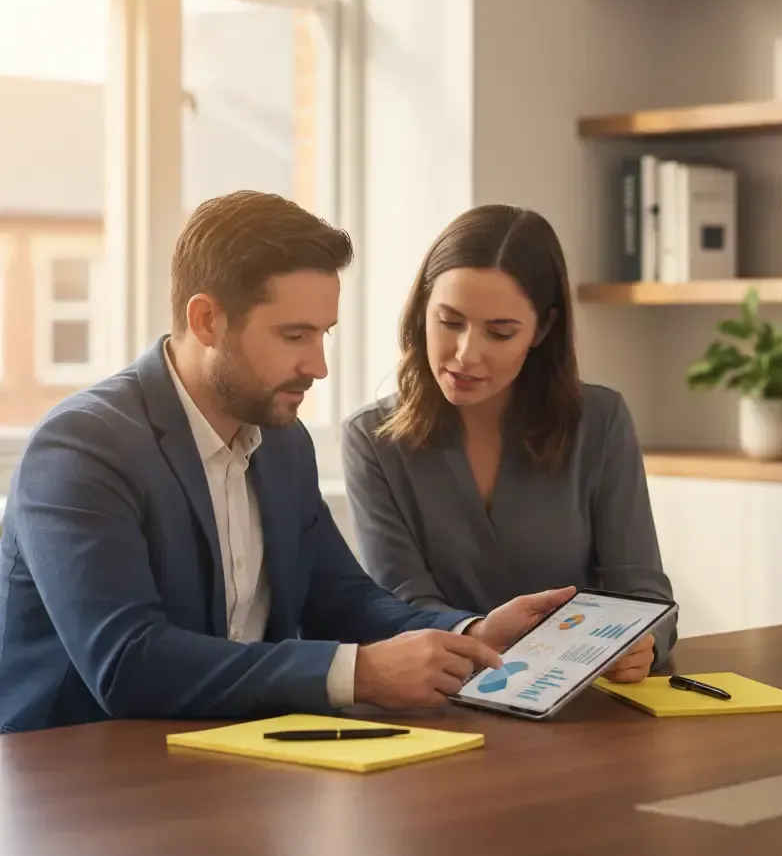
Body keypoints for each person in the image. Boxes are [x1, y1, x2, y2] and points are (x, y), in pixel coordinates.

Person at [0, 191, 575, 734]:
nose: (318, 365)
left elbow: (341, 599)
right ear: (206, 321)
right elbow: (127, 663)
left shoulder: (281, 442)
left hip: (235, 759)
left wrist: (469, 634)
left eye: (323, 334)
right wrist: (360, 673)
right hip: (75, 782)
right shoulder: (81, 449)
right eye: (294, 335)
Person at [342, 204, 677, 683]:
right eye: (449, 322)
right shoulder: (372, 440)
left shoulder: (600, 422)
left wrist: (643, 645)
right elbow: (401, 605)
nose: (466, 354)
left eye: (500, 332)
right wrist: (477, 632)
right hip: (441, 701)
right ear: (421, 312)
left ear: (542, 330)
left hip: (578, 702)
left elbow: (645, 596)